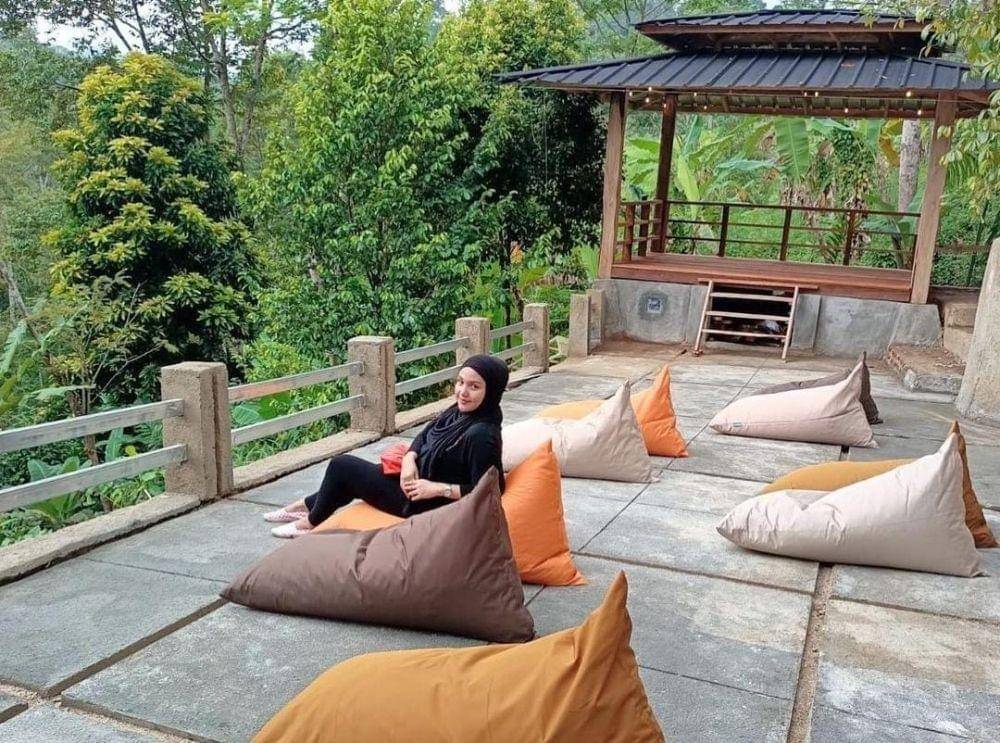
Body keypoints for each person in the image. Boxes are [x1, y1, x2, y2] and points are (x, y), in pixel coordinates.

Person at [265, 354, 509, 537]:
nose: (463, 392)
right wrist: (409, 459)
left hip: (423, 503)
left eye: (474, 386)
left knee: (343, 467)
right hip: (416, 484)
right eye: (460, 382)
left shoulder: (481, 434)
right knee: (355, 475)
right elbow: (425, 435)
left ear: (491, 392)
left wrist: (437, 489)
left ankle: (310, 522)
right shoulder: (459, 412)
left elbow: (492, 487)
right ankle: (305, 506)